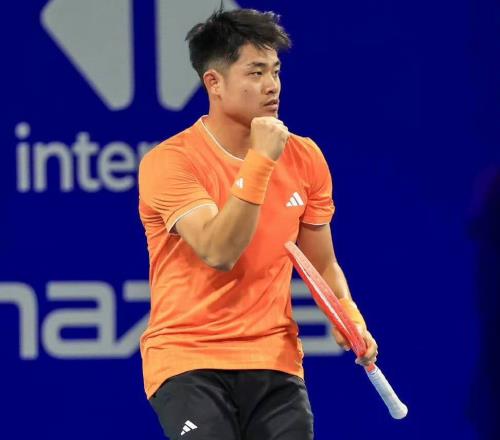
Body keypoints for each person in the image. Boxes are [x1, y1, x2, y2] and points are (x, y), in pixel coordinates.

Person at [138, 7, 378, 440]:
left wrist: (348, 313)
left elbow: (322, 263)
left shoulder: (306, 157)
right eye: (255, 72)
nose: (272, 86)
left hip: (274, 360)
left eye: (275, 71)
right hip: (189, 361)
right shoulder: (170, 162)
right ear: (214, 83)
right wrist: (262, 159)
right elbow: (218, 251)